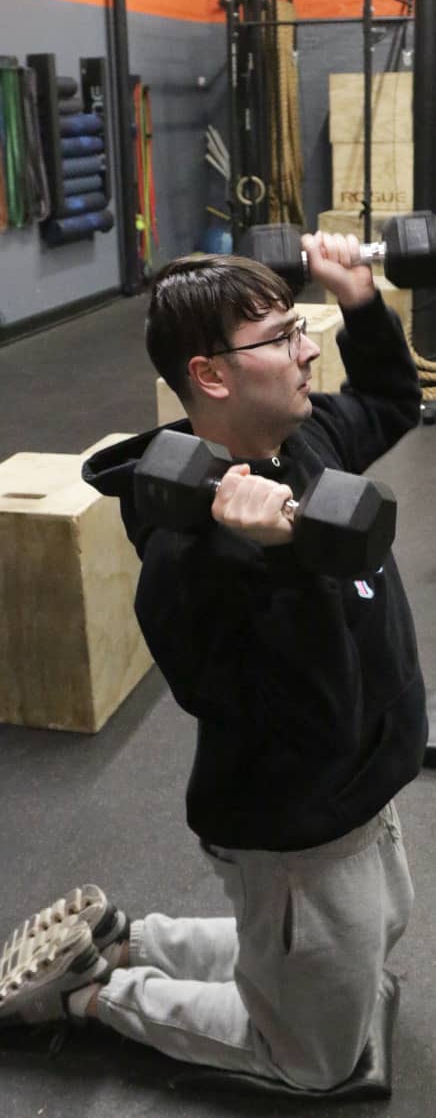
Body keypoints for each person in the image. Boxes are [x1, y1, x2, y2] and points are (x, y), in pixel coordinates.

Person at [0, 233, 428, 1095]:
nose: (308, 350)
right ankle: (90, 994)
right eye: (281, 337)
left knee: (377, 928)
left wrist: (359, 298)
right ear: (211, 375)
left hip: (370, 788)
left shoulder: (301, 442)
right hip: (301, 831)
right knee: (312, 1058)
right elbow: (298, 708)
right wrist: (282, 559)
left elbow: (390, 399)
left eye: (300, 328)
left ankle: (128, 938)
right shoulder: (188, 560)